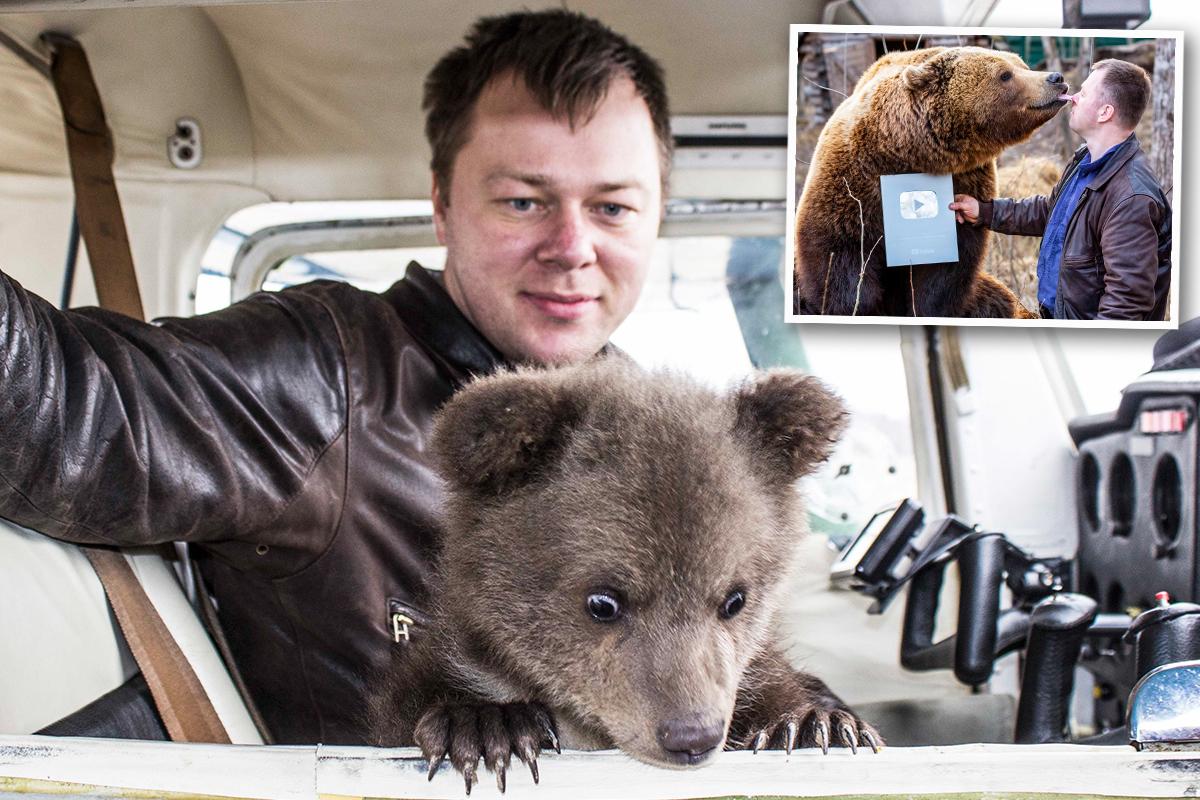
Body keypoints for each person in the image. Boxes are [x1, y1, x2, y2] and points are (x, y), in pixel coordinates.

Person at [0, 9, 669, 744]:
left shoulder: (662, 431)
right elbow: (70, 407)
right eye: (523, 201)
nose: (572, 247)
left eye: (612, 207)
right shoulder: (321, 377)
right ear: (443, 206)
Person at [949, 58, 1171, 320]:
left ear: (1105, 112)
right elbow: (1052, 212)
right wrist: (985, 212)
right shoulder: (1086, 160)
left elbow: (1126, 306)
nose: (1073, 97)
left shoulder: (1131, 198)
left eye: (1084, 93)